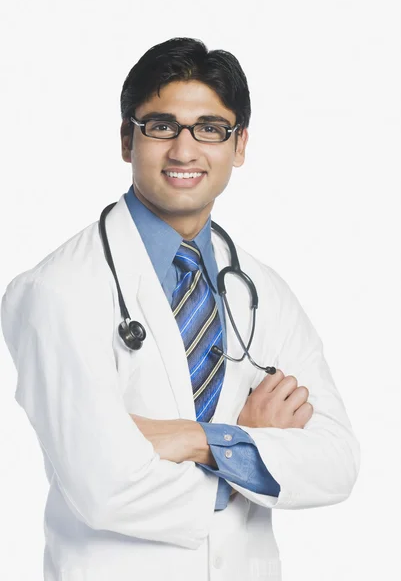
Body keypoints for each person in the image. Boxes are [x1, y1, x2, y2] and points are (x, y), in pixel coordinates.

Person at [1, 37, 360, 581]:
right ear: (128, 139)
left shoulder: (262, 289)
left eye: (210, 129)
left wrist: (197, 440)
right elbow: (106, 487)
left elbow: (336, 462)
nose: (185, 150)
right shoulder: (57, 291)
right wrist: (254, 452)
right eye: (161, 126)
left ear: (239, 145)